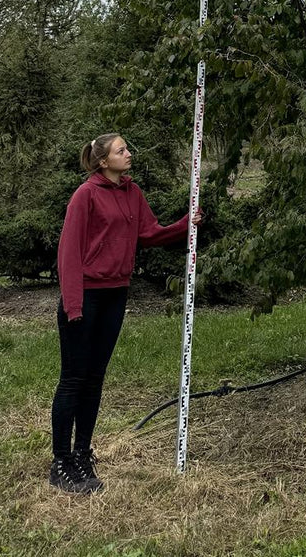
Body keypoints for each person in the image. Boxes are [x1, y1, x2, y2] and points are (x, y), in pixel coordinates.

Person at [49, 132, 201, 493]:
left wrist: (186, 225)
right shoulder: (85, 196)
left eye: (127, 148)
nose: (129, 154)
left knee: (95, 378)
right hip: (84, 297)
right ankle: (61, 463)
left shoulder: (132, 193)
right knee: (74, 378)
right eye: (122, 150)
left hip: (115, 295)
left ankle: (83, 454)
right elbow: (68, 253)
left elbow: (148, 233)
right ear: (103, 161)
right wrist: (73, 305)